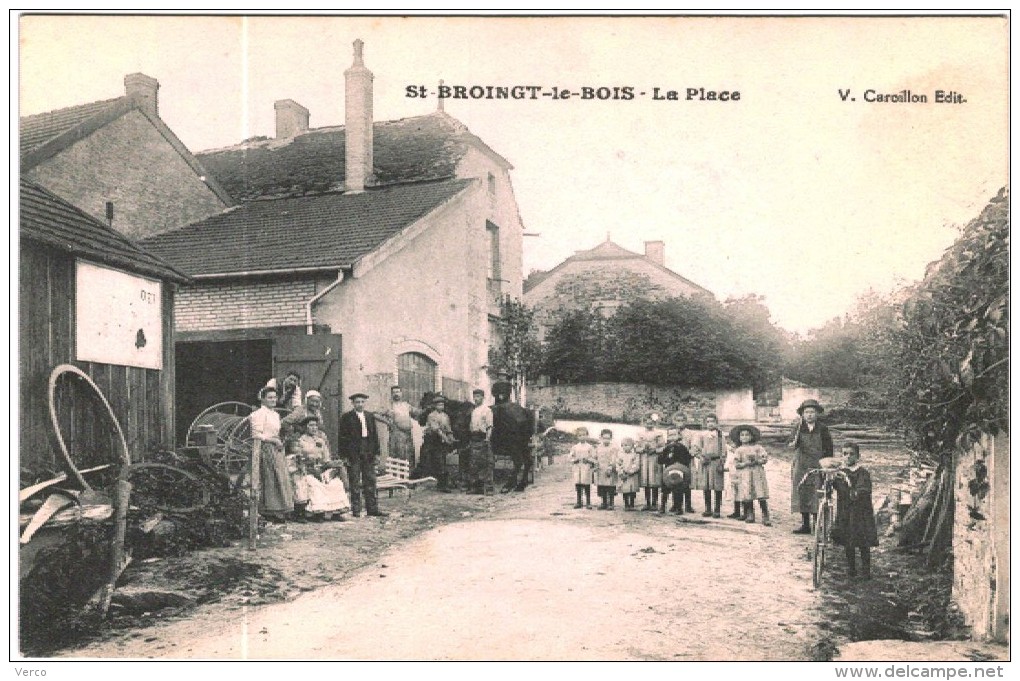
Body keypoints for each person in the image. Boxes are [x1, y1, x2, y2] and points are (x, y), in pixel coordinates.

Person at [832, 443, 879, 580]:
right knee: (848, 541)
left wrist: (856, 492)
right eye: (845, 454)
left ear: (858, 456)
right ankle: (851, 568)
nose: (847, 457)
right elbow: (834, 486)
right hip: (845, 511)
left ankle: (866, 570)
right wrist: (830, 480)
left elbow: (864, 489)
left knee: (863, 541)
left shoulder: (862, 472)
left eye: (851, 454)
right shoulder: (841, 473)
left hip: (860, 512)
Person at [337, 392, 387, 518]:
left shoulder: (369, 416)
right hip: (353, 452)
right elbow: (342, 438)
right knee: (354, 481)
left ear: (365, 403)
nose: (360, 404)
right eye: (357, 402)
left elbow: (374, 436)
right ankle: (356, 510)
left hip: (368, 451)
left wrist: (376, 453)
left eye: (362, 402)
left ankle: (372, 509)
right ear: (353, 403)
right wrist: (344, 456)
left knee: (370, 480)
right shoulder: (347, 417)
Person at [790, 399, 834, 534]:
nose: (809, 415)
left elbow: (829, 448)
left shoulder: (823, 429)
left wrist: (827, 463)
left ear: (817, 414)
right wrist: (792, 443)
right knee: (802, 491)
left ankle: (817, 524)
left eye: (812, 412)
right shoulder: (798, 428)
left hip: (818, 464)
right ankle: (805, 525)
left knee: (817, 492)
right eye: (806, 412)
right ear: (802, 414)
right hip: (802, 464)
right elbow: (792, 443)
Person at [250, 386, 293, 523]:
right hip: (265, 448)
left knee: (280, 477)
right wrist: (273, 440)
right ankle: (269, 511)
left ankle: (280, 510)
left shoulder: (275, 414)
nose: (273, 400)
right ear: (262, 399)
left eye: (274, 397)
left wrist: (278, 440)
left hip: (276, 448)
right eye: (269, 397)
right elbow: (256, 434)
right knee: (270, 478)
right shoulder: (257, 414)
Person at [491, 381, 534, 493]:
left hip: (509, 435)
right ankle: (521, 480)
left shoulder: (498, 406)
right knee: (524, 454)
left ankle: (513, 481)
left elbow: (498, 398)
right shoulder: (516, 405)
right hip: (522, 436)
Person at [730, 425, 771, 526]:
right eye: (742, 435)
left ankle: (765, 516)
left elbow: (764, 459)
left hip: (757, 473)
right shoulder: (739, 450)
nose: (744, 437)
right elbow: (736, 464)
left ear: (752, 436)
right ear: (739, 438)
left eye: (747, 435)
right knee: (747, 493)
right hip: (745, 474)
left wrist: (757, 461)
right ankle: (750, 514)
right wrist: (745, 463)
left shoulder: (758, 448)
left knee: (760, 493)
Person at [378, 386, 423, 470]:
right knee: (398, 456)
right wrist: (387, 422)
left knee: (409, 455)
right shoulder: (389, 406)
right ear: (391, 394)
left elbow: (418, 413)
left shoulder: (406, 405)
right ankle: (398, 477)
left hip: (408, 434)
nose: (396, 394)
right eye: (394, 392)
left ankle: (409, 477)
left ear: (401, 394)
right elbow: (375, 414)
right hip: (396, 434)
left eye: (398, 392)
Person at [693, 415, 727, 518]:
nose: (710, 423)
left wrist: (722, 462)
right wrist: (700, 457)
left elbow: (724, 450)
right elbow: (696, 448)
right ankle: (708, 508)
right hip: (705, 462)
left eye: (712, 421)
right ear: (705, 423)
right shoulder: (702, 435)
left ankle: (717, 509)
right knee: (706, 486)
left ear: (717, 422)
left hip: (716, 462)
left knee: (717, 486)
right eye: (708, 422)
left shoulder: (720, 435)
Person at [422, 395, 456, 492]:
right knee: (434, 461)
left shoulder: (445, 416)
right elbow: (437, 430)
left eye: (442, 405)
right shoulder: (431, 416)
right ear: (435, 406)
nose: (441, 406)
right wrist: (446, 439)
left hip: (441, 441)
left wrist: (451, 438)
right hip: (432, 440)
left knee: (442, 461)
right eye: (439, 405)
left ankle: (442, 484)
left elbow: (448, 429)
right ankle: (415, 479)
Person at [658, 428, 692, 515]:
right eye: (670, 435)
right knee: (665, 490)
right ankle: (662, 507)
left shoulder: (682, 447)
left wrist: (680, 463)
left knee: (678, 489)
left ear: (679, 436)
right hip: (668, 471)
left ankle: (679, 507)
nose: (672, 437)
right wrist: (667, 457)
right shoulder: (666, 448)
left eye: (674, 435)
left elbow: (687, 459)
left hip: (678, 472)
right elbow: (660, 460)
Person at [466, 388, 494, 494]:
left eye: (478, 397)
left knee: (486, 464)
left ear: (483, 397)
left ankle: (489, 488)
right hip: (474, 438)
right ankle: (476, 488)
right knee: (474, 463)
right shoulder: (473, 411)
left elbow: (489, 426)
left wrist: (487, 438)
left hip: (483, 438)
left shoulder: (487, 410)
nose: (476, 399)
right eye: (475, 397)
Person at [637, 415, 663, 511]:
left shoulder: (658, 434)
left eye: (651, 423)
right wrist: (642, 449)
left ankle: (654, 503)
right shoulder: (640, 434)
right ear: (644, 423)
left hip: (654, 459)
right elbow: (636, 447)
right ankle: (647, 503)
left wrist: (655, 450)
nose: (649, 425)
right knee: (646, 481)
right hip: (644, 459)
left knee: (654, 480)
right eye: (647, 423)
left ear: (654, 423)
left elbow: (662, 447)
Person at [593, 428, 621, 510]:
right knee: (602, 487)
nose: (606, 440)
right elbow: (595, 457)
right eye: (604, 438)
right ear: (601, 438)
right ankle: (604, 502)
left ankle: (611, 503)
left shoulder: (614, 448)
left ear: (611, 438)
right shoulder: (598, 447)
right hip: (601, 469)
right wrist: (595, 464)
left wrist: (610, 467)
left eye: (608, 438)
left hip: (610, 470)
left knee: (610, 486)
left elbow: (614, 459)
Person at [568, 427, 596, 509]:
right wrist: (574, 459)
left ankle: (588, 502)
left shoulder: (590, 447)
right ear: (577, 437)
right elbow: (570, 457)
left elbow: (594, 457)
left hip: (586, 467)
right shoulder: (575, 447)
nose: (582, 437)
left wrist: (588, 460)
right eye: (580, 435)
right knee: (578, 485)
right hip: (577, 468)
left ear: (587, 436)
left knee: (586, 485)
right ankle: (579, 502)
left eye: (584, 435)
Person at [618, 437, 642, 511]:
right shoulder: (620, 455)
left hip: (632, 475)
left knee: (632, 490)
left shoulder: (634, 455)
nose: (625, 447)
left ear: (632, 446)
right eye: (624, 445)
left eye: (628, 445)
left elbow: (636, 464)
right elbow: (618, 464)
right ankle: (626, 504)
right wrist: (621, 471)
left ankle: (632, 504)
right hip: (624, 475)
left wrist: (631, 471)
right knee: (625, 490)